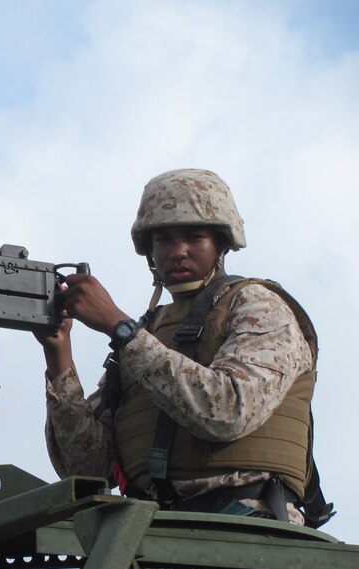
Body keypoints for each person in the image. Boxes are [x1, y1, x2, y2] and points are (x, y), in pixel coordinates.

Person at [36, 168, 331, 525]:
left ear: (221, 243)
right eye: (164, 240)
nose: (178, 252)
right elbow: (85, 468)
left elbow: (226, 412)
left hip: (246, 527)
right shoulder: (151, 331)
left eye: (195, 236)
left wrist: (120, 328)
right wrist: (59, 353)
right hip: (150, 532)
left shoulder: (257, 304)